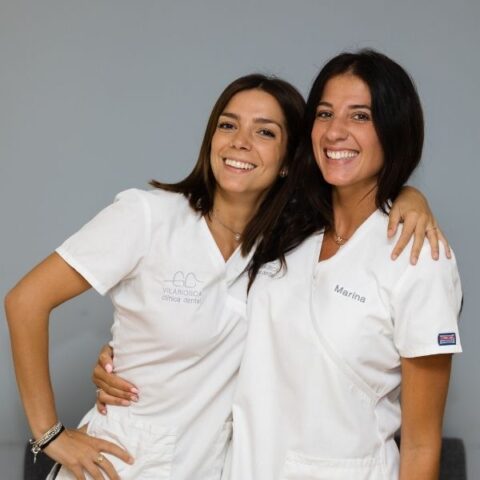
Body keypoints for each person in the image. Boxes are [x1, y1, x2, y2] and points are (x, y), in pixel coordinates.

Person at [6, 72, 440, 480]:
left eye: (265, 132)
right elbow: (25, 301)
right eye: (228, 125)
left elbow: (359, 205)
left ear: (288, 161)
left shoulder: (285, 249)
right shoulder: (149, 216)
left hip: (212, 466)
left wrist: (408, 195)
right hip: (120, 464)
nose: (240, 142)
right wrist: (50, 434)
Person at [221, 50, 462, 479]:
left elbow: (422, 443)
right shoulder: (282, 227)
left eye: (360, 116)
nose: (335, 132)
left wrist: (409, 195)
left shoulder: (418, 257)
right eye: (325, 113)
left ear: (395, 129)